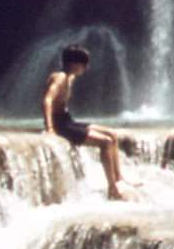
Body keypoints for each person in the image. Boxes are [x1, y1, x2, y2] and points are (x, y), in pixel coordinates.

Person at [42, 43, 129, 200]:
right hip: (60, 124)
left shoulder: (70, 77)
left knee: (112, 135)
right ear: (74, 64)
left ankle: (119, 178)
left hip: (68, 119)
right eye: (84, 64)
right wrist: (50, 128)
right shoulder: (60, 77)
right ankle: (112, 188)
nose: (86, 68)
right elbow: (47, 100)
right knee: (106, 142)